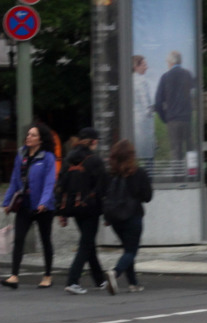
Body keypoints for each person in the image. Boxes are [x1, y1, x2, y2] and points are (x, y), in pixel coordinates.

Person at [56, 127, 112, 295]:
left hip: (73, 207)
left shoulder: (69, 159)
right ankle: (73, 280)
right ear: (94, 142)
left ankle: (99, 280)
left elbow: (60, 186)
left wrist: (60, 211)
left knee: (88, 243)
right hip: (91, 207)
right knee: (86, 244)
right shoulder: (95, 160)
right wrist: (107, 211)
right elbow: (104, 186)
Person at [3, 123, 59, 290]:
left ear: (41, 140)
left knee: (45, 240)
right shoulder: (21, 155)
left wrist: (43, 201)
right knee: (19, 239)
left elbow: (49, 182)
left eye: (33, 135)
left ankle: (47, 275)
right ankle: (14, 276)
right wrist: (7, 202)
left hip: (43, 207)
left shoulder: (48, 157)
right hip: (24, 205)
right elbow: (14, 180)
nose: (29, 137)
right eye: (28, 134)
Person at [102, 139, 153, 294]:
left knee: (127, 250)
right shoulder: (139, 173)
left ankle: (133, 283)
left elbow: (104, 195)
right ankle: (115, 273)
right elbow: (147, 196)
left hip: (115, 218)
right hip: (133, 216)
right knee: (131, 251)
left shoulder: (110, 174)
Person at [154, 50, 195, 163]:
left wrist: (165, 118)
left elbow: (158, 102)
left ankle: (178, 177)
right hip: (186, 118)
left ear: (171, 62)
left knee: (176, 151)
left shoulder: (165, 77)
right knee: (190, 149)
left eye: (167, 62)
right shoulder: (188, 74)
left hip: (172, 119)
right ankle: (192, 176)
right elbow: (193, 94)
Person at [132, 55, 156, 162]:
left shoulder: (131, 79)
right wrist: (153, 109)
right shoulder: (141, 81)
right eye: (144, 65)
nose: (146, 67)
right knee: (148, 156)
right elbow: (145, 104)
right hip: (143, 123)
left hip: (136, 121)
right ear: (136, 66)